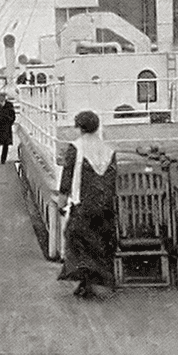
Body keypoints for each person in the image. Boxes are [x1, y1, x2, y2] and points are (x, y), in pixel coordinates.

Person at [55, 110, 117, 299]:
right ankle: (95, 280)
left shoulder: (76, 147)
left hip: (83, 204)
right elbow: (112, 180)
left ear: (80, 127)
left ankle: (84, 282)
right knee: (99, 243)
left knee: (76, 241)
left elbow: (67, 176)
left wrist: (62, 200)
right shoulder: (109, 150)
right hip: (104, 207)